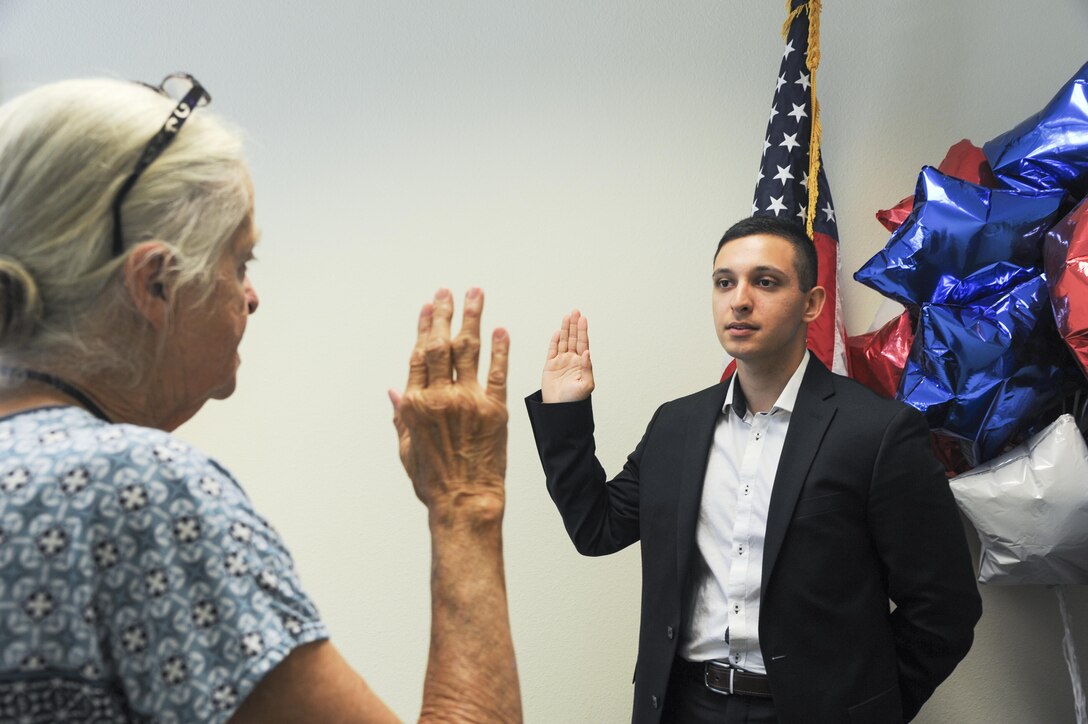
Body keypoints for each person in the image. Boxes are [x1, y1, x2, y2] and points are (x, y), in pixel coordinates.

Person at [0, 75, 521, 723]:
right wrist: (465, 504)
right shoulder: (136, 492)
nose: (251, 297)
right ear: (154, 282)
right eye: (239, 262)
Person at [526, 215, 981, 724]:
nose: (739, 299)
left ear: (812, 304)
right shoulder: (675, 425)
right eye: (725, 282)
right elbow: (597, 528)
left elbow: (945, 609)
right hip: (684, 707)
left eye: (765, 282)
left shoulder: (878, 432)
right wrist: (564, 411)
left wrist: (867, 707)